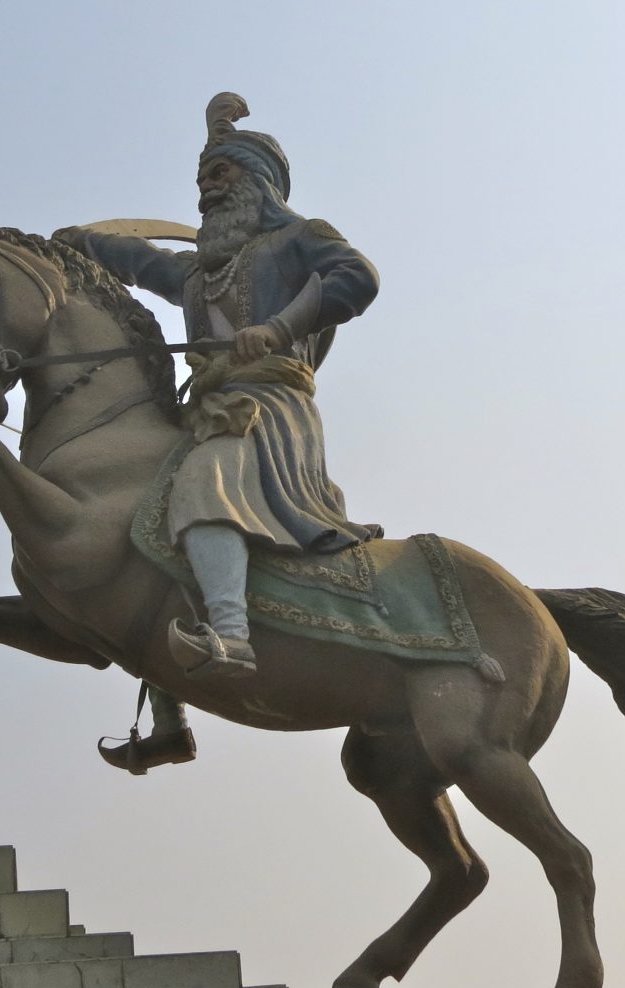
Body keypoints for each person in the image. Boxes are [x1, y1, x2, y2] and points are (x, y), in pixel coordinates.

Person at [60, 93, 380, 772]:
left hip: (270, 406)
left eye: (221, 176)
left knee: (206, 480)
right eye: (202, 180)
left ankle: (233, 636)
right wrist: (75, 243)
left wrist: (279, 328)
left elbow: (358, 277)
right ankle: (170, 719)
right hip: (208, 410)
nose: (206, 191)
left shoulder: (298, 240)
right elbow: (136, 259)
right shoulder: (197, 275)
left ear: (256, 184)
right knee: (133, 531)